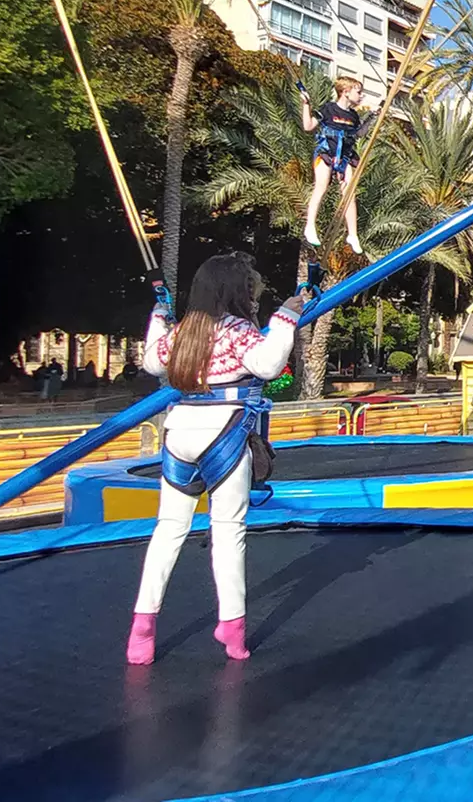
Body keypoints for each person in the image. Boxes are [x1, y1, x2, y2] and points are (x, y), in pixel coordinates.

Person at [128, 252, 306, 665]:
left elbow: (153, 360)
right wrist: (284, 317)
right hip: (222, 433)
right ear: (237, 292)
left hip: (179, 433)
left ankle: (143, 624)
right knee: (228, 531)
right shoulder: (237, 330)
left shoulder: (183, 332)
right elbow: (268, 364)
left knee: (168, 529)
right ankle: (233, 627)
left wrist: (159, 314)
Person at [299, 76, 368, 254]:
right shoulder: (328, 109)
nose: (361, 96)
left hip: (345, 157)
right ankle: (309, 226)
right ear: (346, 92)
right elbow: (308, 126)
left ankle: (353, 234)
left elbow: (359, 133)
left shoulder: (353, 116)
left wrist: (372, 119)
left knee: (349, 194)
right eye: (358, 92)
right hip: (326, 154)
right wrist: (306, 105)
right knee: (320, 187)